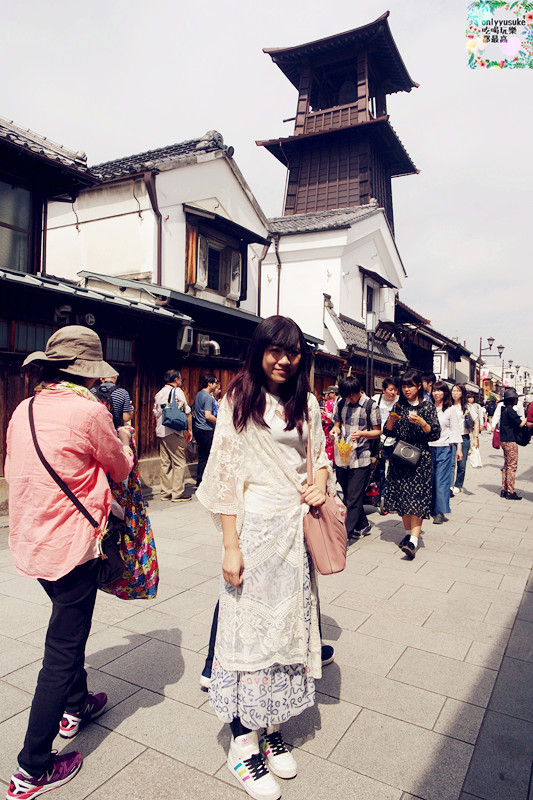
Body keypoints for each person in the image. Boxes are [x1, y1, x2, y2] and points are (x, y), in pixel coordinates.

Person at [196, 315, 330, 800]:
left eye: (292, 351)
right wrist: (230, 546)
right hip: (253, 532)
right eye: (274, 350)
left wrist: (319, 479)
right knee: (245, 633)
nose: (283, 359)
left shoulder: (307, 402)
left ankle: (270, 727)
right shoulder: (238, 401)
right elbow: (226, 480)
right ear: (258, 352)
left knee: (287, 630)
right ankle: (241, 743)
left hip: (294, 536)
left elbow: (318, 456)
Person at [4, 326, 134, 799]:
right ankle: (32, 767)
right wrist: (124, 439)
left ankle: (77, 702)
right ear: (87, 373)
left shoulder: (25, 408)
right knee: (61, 649)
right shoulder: (89, 410)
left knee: (68, 626)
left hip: (30, 542)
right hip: (73, 546)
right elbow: (119, 468)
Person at [383, 369, 440, 559]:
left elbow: (435, 434)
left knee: (417, 498)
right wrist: (391, 421)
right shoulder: (398, 406)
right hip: (400, 457)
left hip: (420, 459)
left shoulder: (427, 408)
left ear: (418, 386)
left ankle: (414, 542)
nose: (406, 390)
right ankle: (408, 534)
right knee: (402, 497)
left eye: (410, 386)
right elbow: (388, 432)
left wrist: (423, 423)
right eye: (404, 386)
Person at [331, 376, 381, 539]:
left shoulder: (370, 405)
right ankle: (363, 524)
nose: (350, 399)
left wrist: (362, 434)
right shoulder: (340, 403)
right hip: (342, 456)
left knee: (353, 497)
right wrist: (335, 431)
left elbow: (377, 431)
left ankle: (345, 534)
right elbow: (337, 425)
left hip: (361, 456)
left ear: (360, 390)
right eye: (347, 396)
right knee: (347, 492)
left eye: (352, 395)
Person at [153, 370, 192, 503]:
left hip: (161, 429)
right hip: (174, 430)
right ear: (176, 380)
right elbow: (187, 412)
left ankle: (166, 492)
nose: (181, 381)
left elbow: (156, 413)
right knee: (179, 462)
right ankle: (177, 493)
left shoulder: (159, 393)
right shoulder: (177, 391)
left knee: (165, 462)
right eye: (180, 379)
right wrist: (190, 430)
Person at [429, 381, 462, 523]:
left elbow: (455, 430)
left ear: (445, 393)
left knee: (441, 480)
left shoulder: (450, 410)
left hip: (444, 447)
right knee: (430, 478)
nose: (436, 393)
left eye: (439, 390)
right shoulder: (428, 407)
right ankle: (430, 506)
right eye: (434, 390)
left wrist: (459, 449)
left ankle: (440, 511)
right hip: (428, 447)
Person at [372, 377, 400, 509]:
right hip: (380, 441)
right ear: (383, 390)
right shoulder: (375, 400)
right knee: (380, 469)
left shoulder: (400, 402)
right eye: (390, 389)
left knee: (393, 471)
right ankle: (381, 497)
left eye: (395, 389)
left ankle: (392, 498)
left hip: (395, 441)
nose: (393, 392)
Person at [450, 384, 479, 495]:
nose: (455, 393)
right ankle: (450, 486)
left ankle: (459, 484)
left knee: (461, 464)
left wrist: (475, 438)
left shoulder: (467, 407)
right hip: (451, 437)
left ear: (462, 393)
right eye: (453, 391)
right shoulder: (448, 406)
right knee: (451, 463)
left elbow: (476, 421)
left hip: (464, 437)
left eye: (457, 391)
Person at [499, 387, 527, 500]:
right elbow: (520, 424)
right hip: (511, 441)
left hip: (503, 440)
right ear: (512, 400)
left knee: (506, 465)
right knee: (512, 466)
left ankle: (504, 489)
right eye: (516, 398)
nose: (517, 400)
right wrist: (529, 418)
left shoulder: (503, 410)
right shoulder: (511, 411)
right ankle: (510, 491)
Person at [192, 373, 218, 487]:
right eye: (215, 382)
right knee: (209, 456)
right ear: (209, 384)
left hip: (198, 428)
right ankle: (207, 483)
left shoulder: (198, 395)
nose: (216, 385)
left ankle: (200, 480)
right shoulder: (208, 397)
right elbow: (208, 415)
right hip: (207, 429)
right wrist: (220, 421)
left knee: (202, 456)